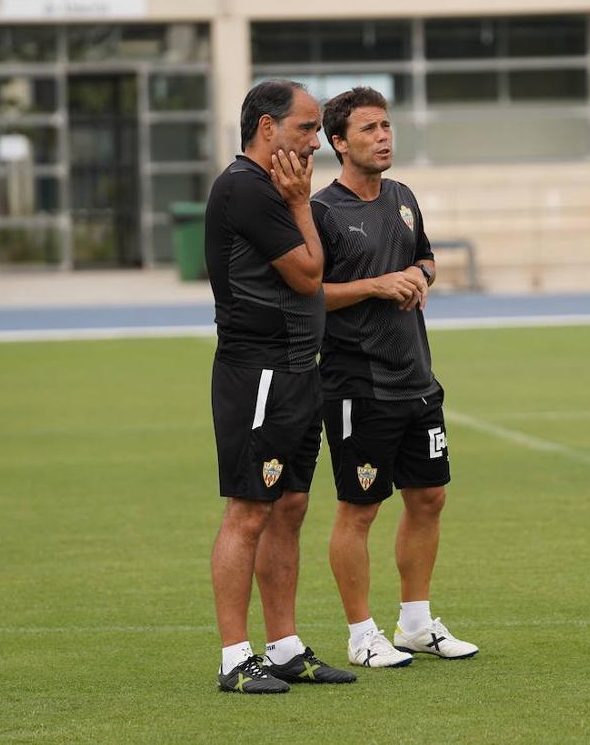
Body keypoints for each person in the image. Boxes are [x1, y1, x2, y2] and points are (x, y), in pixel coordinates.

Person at [311, 87, 479, 668]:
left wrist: (418, 275)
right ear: (339, 143)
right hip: (358, 385)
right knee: (359, 509)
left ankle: (415, 624)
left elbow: (425, 257)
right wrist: (376, 286)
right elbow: (306, 295)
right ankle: (361, 635)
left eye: (386, 126)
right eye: (369, 129)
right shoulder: (322, 212)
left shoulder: (403, 197)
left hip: (418, 380)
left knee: (429, 497)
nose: (383, 137)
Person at [205, 79, 355, 693]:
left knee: (290, 507)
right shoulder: (246, 187)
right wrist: (300, 205)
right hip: (259, 372)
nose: (317, 141)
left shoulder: (272, 188)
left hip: (298, 368)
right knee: (249, 511)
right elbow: (309, 275)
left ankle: (286, 647)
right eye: (306, 127)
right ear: (267, 128)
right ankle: (234, 659)